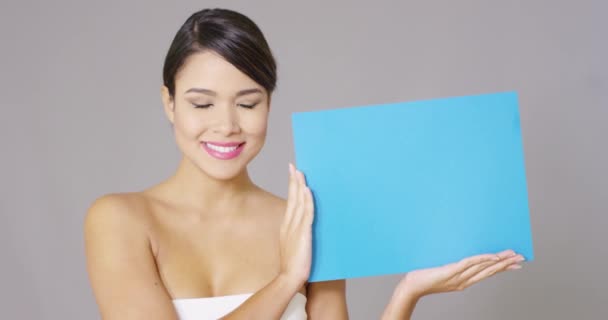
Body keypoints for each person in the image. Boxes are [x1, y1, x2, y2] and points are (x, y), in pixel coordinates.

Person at [84, 8, 525, 320]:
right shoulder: (119, 220)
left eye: (248, 102)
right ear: (169, 103)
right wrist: (287, 279)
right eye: (202, 103)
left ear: (269, 104)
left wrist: (407, 292)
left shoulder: (310, 221)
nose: (226, 125)